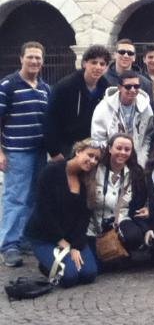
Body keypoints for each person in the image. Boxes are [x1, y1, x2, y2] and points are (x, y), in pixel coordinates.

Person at [24, 139, 101, 287]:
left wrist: (76, 246)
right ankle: (46, 264)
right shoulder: (51, 171)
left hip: (71, 236)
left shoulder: (87, 180)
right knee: (69, 278)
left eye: (96, 159)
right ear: (78, 151)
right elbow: (43, 210)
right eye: (90, 155)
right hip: (45, 236)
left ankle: (56, 261)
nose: (92, 161)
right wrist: (61, 241)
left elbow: (84, 218)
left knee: (89, 274)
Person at [0, 41, 50, 267]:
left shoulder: (45, 89)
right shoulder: (7, 85)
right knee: (15, 197)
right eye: (30, 56)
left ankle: (24, 238)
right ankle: (8, 245)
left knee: (33, 198)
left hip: (39, 152)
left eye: (38, 58)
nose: (34, 61)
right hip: (17, 152)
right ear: (21, 58)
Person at [44, 44, 111, 161]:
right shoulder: (64, 87)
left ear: (106, 67)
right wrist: (55, 152)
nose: (98, 67)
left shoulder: (108, 90)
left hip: (95, 150)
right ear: (84, 63)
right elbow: (51, 119)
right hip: (67, 149)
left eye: (102, 64)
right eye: (94, 62)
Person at [87, 134, 148, 258]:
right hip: (93, 223)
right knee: (95, 263)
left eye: (127, 149)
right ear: (110, 149)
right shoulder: (95, 169)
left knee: (134, 236)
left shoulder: (136, 173)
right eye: (119, 148)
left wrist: (147, 210)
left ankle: (122, 252)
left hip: (120, 220)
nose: (123, 152)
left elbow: (141, 202)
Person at [91, 70, 154, 166]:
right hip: (110, 161)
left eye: (136, 86)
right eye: (128, 87)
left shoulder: (145, 107)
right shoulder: (103, 107)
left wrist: (142, 157)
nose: (133, 90)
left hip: (137, 161)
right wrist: (113, 157)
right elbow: (98, 139)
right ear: (119, 87)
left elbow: (148, 136)